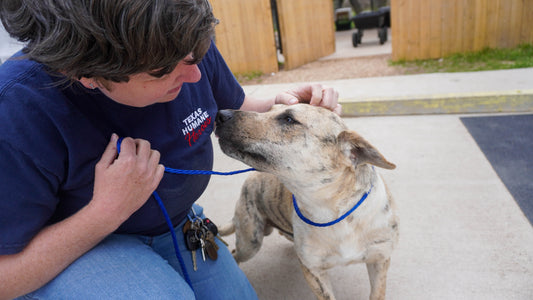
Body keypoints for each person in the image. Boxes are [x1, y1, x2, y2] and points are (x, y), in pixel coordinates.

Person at [0, 0, 341, 299]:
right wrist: (104, 211)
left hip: (177, 223)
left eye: (197, 55)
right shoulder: (17, 110)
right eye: (163, 70)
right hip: (86, 242)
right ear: (85, 74)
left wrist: (278, 107)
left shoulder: (178, 36)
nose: (195, 75)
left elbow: (237, 103)